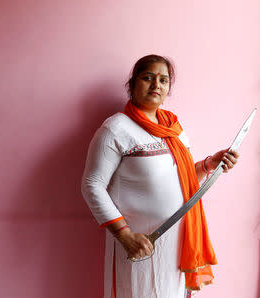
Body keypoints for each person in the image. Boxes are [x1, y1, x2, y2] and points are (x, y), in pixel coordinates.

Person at [81, 54, 239, 298]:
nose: (156, 85)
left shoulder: (174, 129)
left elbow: (183, 182)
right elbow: (92, 185)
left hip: (177, 243)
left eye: (163, 80)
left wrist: (210, 165)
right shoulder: (116, 128)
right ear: (132, 85)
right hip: (139, 243)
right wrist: (124, 235)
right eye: (148, 78)